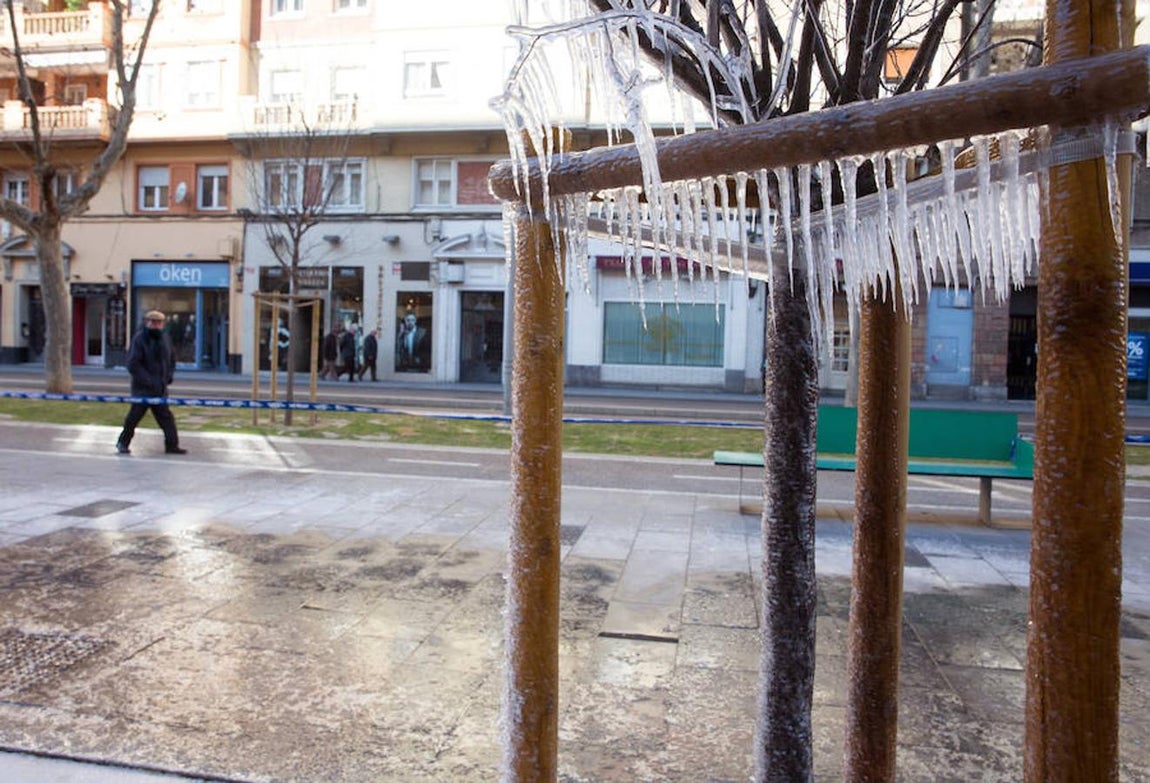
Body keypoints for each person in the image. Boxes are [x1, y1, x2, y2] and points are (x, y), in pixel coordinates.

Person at [116, 310, 186, 455]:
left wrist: (168, 376)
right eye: (154, 323)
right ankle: (123, 442)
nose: (157, 326)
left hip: (160, 388)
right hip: (143, 389)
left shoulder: (165, 338)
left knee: (166, 419)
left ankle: (172, 445)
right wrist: (147, 380)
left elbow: (171, 359)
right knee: (134, 418)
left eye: (160, 323)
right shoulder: (139, 339)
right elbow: (133, 364)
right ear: (147, 323)